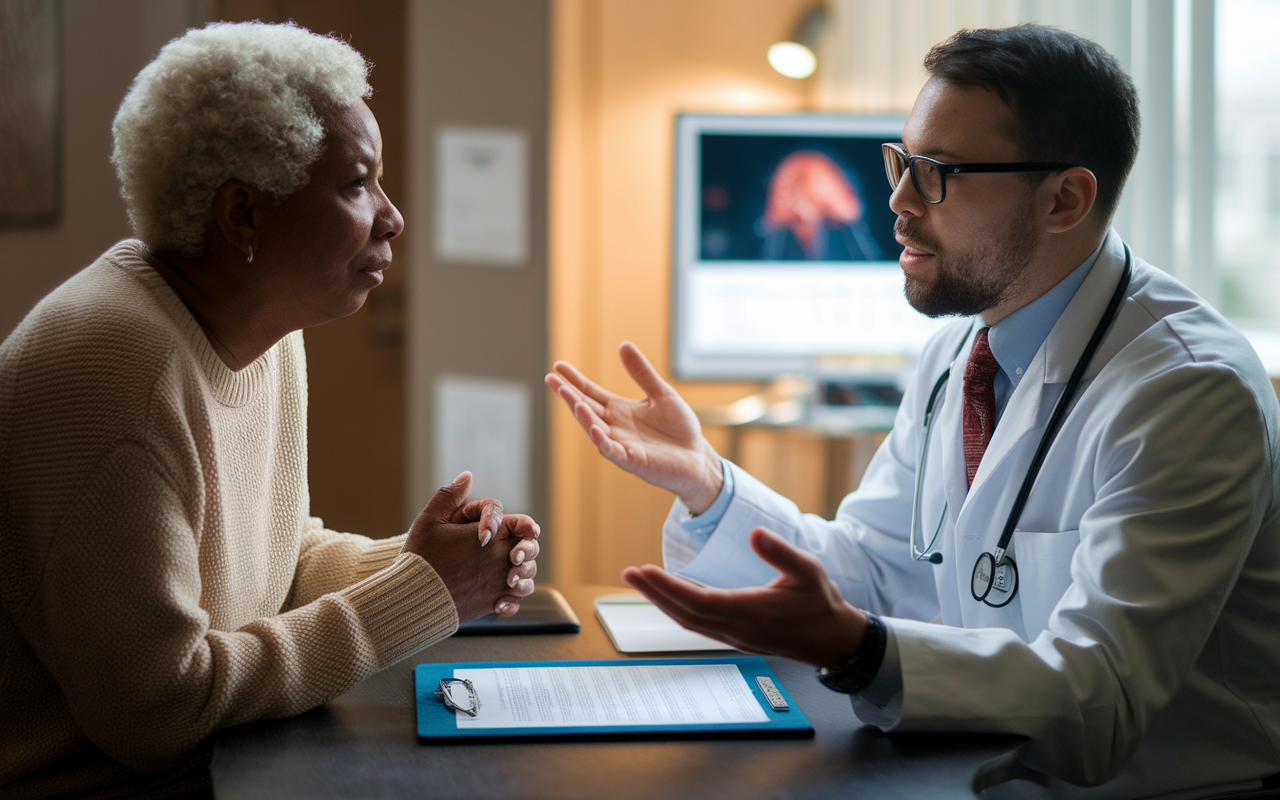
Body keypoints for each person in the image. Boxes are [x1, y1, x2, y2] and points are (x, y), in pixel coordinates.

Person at [547, 24, 1280, 800]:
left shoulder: (1188, 391)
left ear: (1065, 198)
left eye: (938, 173)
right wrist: (709, 485)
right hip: (976, 768)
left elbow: (1101, 700)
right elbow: (871, 570)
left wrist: (863, 653)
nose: (896, 200)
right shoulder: (959, 354)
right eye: (901, 163)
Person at [0, 22, 539, 799]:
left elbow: (275, 562)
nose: (391, 217)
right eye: (357, 184)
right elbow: (156, 712)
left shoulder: (262, 331)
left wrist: (426, 562)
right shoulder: (117, 373)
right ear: (243, 215)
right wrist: (420, 595)